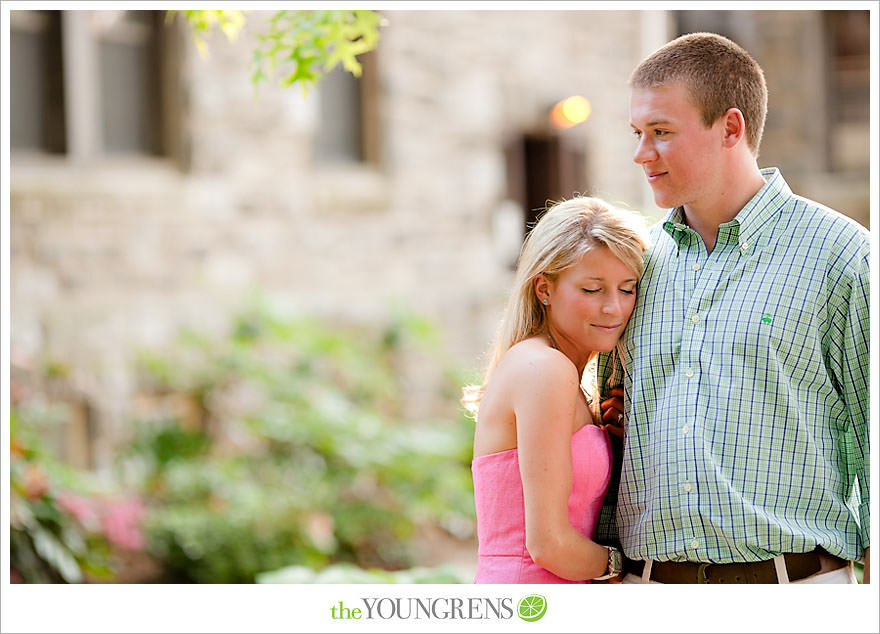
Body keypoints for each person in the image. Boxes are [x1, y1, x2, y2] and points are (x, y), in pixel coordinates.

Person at [597, 32, 870, 584]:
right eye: (637, 133)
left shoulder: (844, 257)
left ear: (730, 127)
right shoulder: (635, 267)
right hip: (646, 591)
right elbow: (610, 423)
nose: (640, 152)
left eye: (662, 132)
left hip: (795, 595)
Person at [462, 196, 648, 583]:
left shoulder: (553, 371)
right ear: (544, 288)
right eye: (593, 290)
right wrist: (626, 570)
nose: (613, 307)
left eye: (627, 289)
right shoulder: (544, 368)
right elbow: (548, 544)